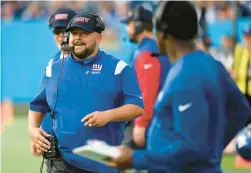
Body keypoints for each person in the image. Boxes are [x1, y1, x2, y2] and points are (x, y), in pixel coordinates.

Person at [109, 1, 251, 173]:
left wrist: (135, 158)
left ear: (163, 34)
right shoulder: (210, 63)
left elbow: (190, 149)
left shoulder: (186, 75)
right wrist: (212, 148)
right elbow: (241, 109)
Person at [28, 12, 144, 173]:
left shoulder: (119, 68)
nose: (78, 38)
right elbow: (38, 105)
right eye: (74, 33)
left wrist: (108, 115)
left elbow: (137, 107)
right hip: (62, 161)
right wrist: (33, 129)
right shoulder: (54, 68)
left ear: (98, 37)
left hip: (103, 161)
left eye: (84, 33)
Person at [121, 5, 170, 148]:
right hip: (159, 120)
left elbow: (148, 90)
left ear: (138, 24)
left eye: (129, 24)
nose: (127, 28)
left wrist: (141, 123)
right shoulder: (154, 48)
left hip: (152, 122)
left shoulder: (147, 52)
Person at [30, 8, 77, 157]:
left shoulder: (89, 61)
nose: (61, 35)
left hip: (80, 146)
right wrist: (38, 133)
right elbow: (44, 102)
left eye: (65, 30)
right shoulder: (54, 61)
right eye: (57, 32)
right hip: (56, 146)